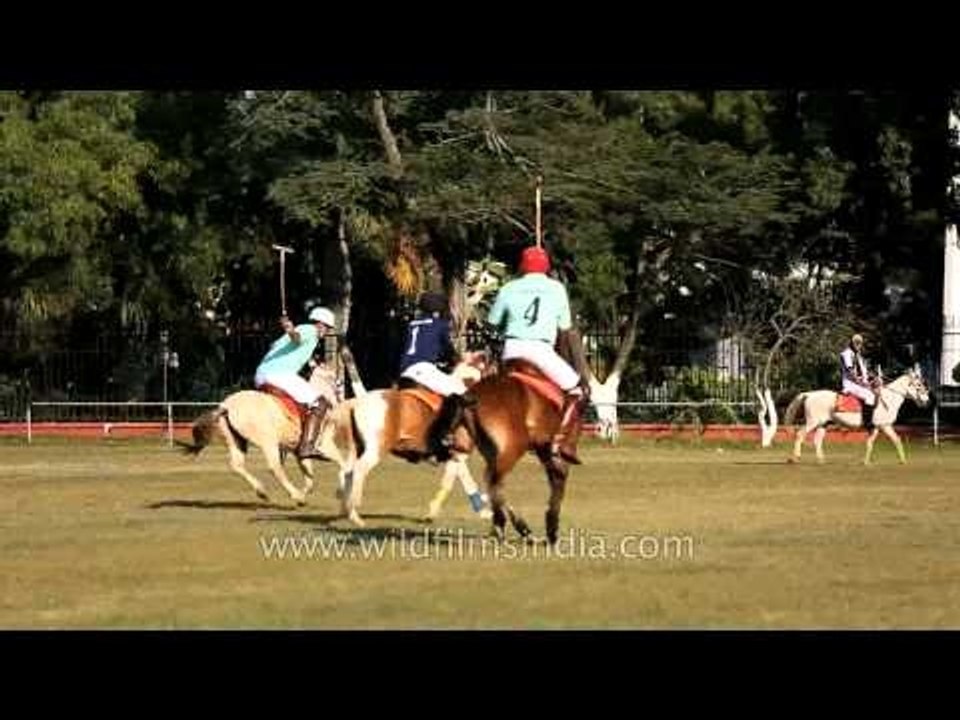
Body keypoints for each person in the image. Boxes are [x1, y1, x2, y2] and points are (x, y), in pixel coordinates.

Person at [487, 245, 590, 464]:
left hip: (511, 349)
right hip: (540, 350)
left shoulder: (509, 287)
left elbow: (493, 321)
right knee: (579, 390)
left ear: (523, 265)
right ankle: (561, 440)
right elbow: (565, 325)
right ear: (547, 267)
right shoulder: (557, 288)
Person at [254, 306, 337, 459]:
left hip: (261, 375)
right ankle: (307, 447)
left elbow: (277, 346)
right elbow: (296, 337)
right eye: (327, 327)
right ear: (320, 323)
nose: (327, 332)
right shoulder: (310, 330)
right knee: (320, 403)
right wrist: (290, 330)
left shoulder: (306, 336)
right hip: (279, 374)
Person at [394, 292, 469, 459]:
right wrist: (456, 359)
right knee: (463, 394)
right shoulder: (440, 324)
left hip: (404, 371)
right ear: (437, 309)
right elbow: (447, 349)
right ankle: (443, 437)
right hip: (423, 369)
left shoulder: (410, 324)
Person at [840, 333, 876, 430]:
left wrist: (873, 377)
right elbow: (850, 370)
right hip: (850, 384)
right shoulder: (847, 354)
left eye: (859, 343)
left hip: (858, 383)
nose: (858, 345)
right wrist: (860, 382)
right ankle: (867, 422)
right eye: (856, 343)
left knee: (875, 391)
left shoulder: (858, 356)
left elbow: (864, 371)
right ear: (852, 343)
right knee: (870, 395)